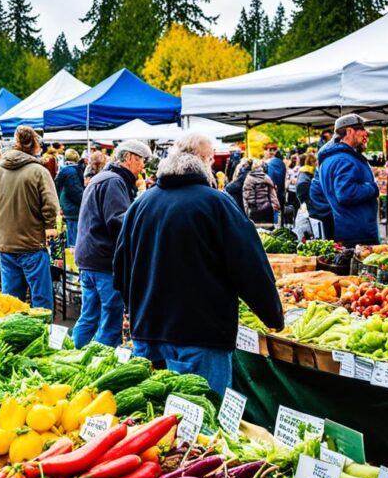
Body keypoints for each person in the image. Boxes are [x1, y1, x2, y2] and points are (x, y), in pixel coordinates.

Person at [113, 132, 283, 393]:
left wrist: (134, 307)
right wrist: (273, 315)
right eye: (212, 158)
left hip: (148, 330)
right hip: (200, 335)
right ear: (203, 161)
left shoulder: (142, 204)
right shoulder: (216, 203)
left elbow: (121, 267)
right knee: (203, 421)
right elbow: (249, 266)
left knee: (155, 419)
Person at [72, 140, 149, 348]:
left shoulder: (103, 177)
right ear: (130, 158)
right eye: (142, 160)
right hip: (103, 261)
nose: (143, 166)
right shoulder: (114, 181)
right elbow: (118, 221)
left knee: (89, 316)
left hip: (89, 258)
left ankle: (73, 356)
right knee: (110, 321)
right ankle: (102, 364)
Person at [0, 126, 59, 311]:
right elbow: (51, 204)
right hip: (31, 242)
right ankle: (45, 337)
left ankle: (12, 339)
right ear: (35, 145)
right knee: (41, 302)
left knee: (12, 301)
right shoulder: (38, 171)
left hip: (5, 242)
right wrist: (51, 226)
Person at [313, 114, 381, 247]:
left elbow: (317, 193)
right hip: (356, 232)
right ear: (349, 131)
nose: (365, 134)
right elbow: (345, 193)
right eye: (361, 129)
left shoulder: (331, 158)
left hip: (346, 228)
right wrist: (372, 188)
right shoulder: (344, 159)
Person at [54, 149, 85, 248]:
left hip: (66, 206)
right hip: (73, 210)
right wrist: (86, 202)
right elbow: (76, 192)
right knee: (74, 242)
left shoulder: (63, 170)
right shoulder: (72, 172)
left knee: (70, 236)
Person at [243, 160, 281, 224]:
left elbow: (246, 197)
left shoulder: (248, 179)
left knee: (256, 231)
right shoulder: (266, 177)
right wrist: (277, 207)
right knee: (267, 231)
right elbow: (273, 195)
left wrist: (245, 212)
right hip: (267, 209)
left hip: (254, 210)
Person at [264, 145, 286, 224]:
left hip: (273, 194)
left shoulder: (271, 163)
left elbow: (271, 179)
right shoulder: (281, 162)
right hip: (280, 193)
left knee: (276, 217)